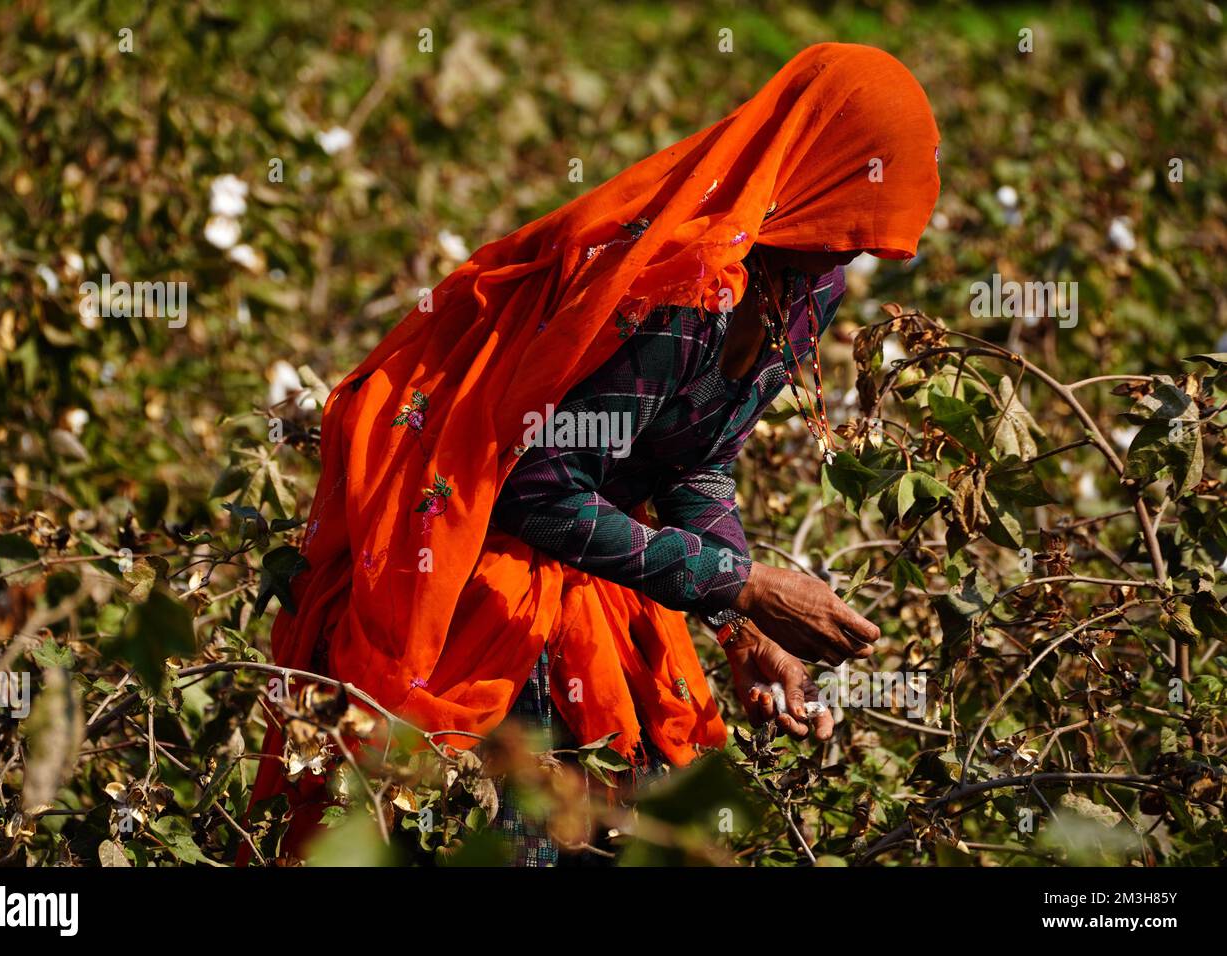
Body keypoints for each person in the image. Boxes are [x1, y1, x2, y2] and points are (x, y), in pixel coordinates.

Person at [247, 41, 941, 862]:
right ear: (816, 173)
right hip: (475, 564)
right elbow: (535, 492)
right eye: (850, 229)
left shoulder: (806, 287)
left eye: (868, 243)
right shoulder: (681, 287)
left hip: (595, 567)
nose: (851, 255)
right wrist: (747, 585)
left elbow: (696, 463)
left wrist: (744, 632)